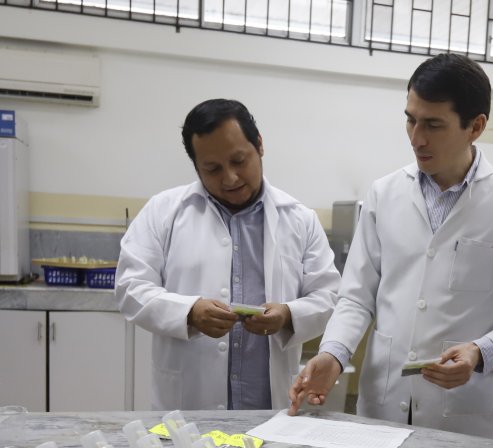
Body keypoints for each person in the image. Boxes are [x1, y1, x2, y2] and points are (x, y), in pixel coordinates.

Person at [288, 53, 493, 440]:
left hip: (466, 410)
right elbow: (357, 297)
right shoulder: (384, 195)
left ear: (476, 126)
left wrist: (482, 351)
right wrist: (333, 353)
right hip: (385, 401)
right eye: (411, 119)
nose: (416, 138)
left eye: (433, 125)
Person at [116, 99, 340, 411]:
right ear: (196, 166)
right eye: (213, 169)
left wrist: (288, 315)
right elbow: (130, 288)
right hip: (189, 408)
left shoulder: (300, 219)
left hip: (268, 408)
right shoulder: (163, 212)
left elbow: (328, 296)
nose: (230, 178)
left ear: (259, 145)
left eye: (239, 161)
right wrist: (189, 312)